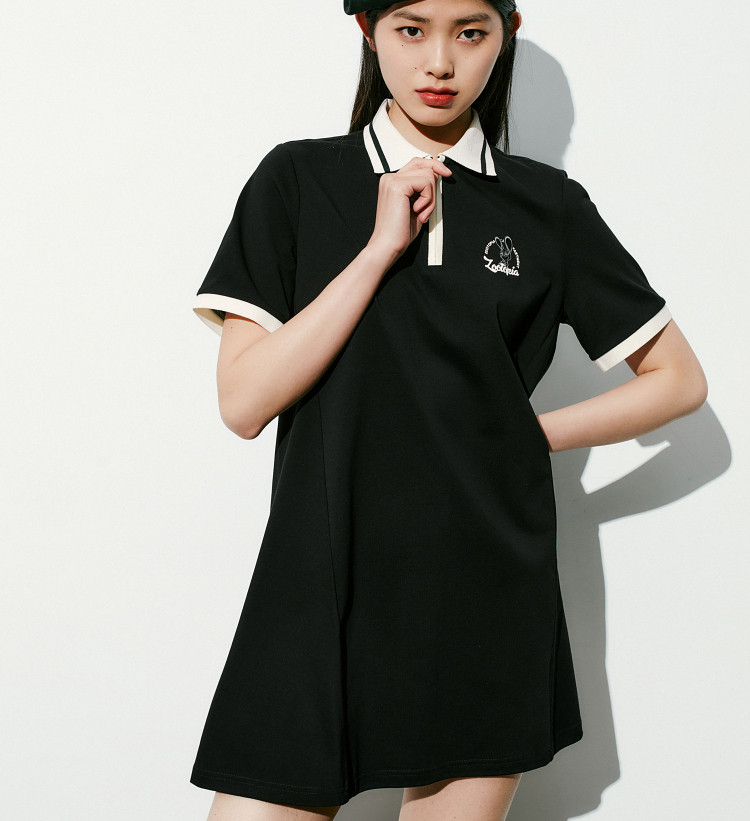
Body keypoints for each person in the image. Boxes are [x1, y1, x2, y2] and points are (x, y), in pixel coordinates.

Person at [189, 1, 708, 819]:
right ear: (367, 30)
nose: (440, 62)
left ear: (507, 34)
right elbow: (244, 402)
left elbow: (678, 379)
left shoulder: (547, 205)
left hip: (484, 592)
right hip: (317, 579)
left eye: (471, 32)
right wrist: (378, 250)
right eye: (411, 29)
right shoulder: (297, 180)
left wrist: (522, 436)